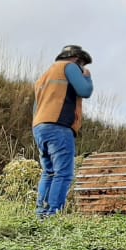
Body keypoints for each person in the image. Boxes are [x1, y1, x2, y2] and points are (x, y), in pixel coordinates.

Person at [32, 45, 93, 217]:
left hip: (40, 127)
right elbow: (85, 90)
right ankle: (53, 214)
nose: (83, 68)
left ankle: (41, 213)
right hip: (59, 126)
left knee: (49, 172)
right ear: (76, 59)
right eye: (83, 64)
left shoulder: (44, 76)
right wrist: (88, 78)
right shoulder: (69, 67)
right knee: (64, 173)